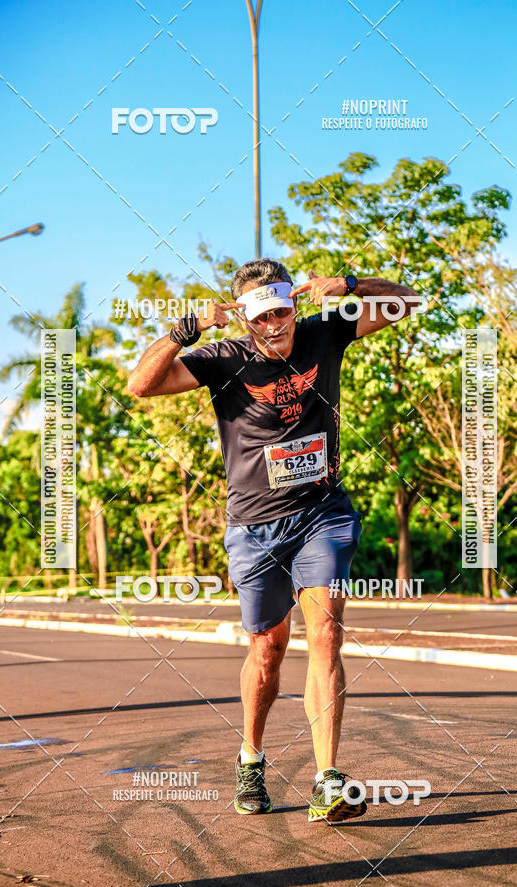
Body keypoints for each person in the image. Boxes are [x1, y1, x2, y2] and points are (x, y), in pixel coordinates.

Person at [127, 259, 420, 822]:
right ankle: (251, 757)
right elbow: (140, 385)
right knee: (268, 651)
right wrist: (186, 330)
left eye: (284, 311)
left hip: (322, 513)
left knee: (327, 635)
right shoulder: (223, 359)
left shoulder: (325, 330)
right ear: (246, 317)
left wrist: (354, 286)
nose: (277, 324)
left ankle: (328, 780)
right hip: (255, 524)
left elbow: (407, 302)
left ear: (295, 306)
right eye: (264, 317)